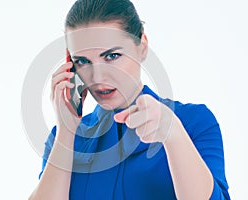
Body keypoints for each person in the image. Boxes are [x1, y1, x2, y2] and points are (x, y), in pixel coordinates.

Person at [29, 0, 230, 199]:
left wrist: (173, 135)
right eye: (83, 61)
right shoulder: (63, 139)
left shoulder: (194, 123)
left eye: (112, 56)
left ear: (142, 47)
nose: (98, 78)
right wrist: (66, 131)